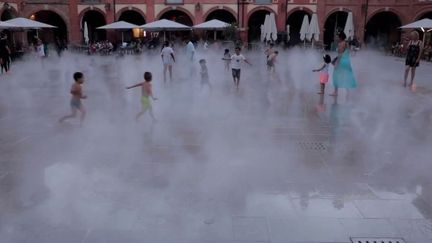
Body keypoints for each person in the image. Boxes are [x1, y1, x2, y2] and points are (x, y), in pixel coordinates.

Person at [330, 32, 357, 96]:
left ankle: (335, 92)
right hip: (347, 62)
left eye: (338, 37)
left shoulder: (340, 44)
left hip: (341, 61)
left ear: (341, 37)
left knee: (336, 75)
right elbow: (348, 53)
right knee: (346, 76)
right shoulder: (347, 43)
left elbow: (340, 54)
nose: (337, 38)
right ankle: (348, 92)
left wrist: (337, 63)